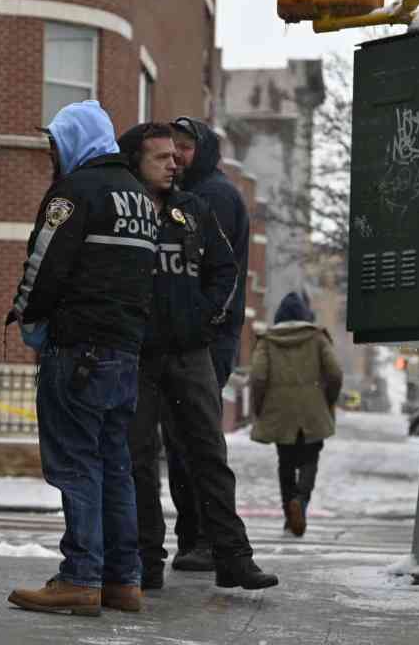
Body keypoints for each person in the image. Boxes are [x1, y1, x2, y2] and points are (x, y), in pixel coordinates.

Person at [6, 101, 155, 617]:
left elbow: (44, 264)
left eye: (56, 141)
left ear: (75, 140)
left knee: (76, 465)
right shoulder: (140, 197)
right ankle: (123, 580)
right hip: (124, 350)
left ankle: (79, 578)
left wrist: (25, 318)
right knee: (115, 464)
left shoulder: (75, 192)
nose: (53, 151)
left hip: (78, 349)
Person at [118, 123, 278, 593]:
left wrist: (202, 322)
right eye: (162, 156)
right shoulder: (121, 210)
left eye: (177, 154)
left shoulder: (195, 209)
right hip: (137, 356)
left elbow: (224, 271)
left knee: (209, 454)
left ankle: (232, 556)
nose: (174, 163)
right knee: (137, 459)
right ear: (135, 162)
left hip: (190, 355)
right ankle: (145, 560)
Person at [165, 115, 252, 572]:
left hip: (206, 339)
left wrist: (197, 324)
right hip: (196, 336)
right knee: (184, 439)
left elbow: (215, 273)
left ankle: (202, 540)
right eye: (171, 145)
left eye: (185, 146)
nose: (176, 154)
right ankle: (194, 538)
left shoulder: (212, 196)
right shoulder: (191, 194)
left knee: (192, 439)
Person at [249, 290, 344, 537]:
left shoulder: (268, 341)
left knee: (286, 462)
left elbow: (258, 377)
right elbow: (334, 372)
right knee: (311, 459)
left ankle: (289, 513)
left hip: (280, 412)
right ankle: (300, 502)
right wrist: (328, 400)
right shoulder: (317, 338)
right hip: (313, 410)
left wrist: (259, 407)